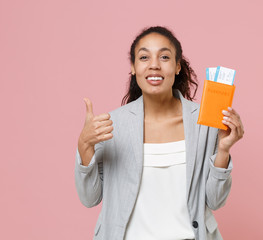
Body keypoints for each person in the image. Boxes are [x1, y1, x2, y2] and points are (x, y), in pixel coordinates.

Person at [75, 26, 244, 240]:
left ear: (177, 66)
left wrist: (223, 150)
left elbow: (215, 201)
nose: (154, 65)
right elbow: (89, 198)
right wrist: (84, 146)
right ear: (133, 67)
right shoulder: (111, 124)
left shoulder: (204, 121)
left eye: (164, 56)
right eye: (144, 57)